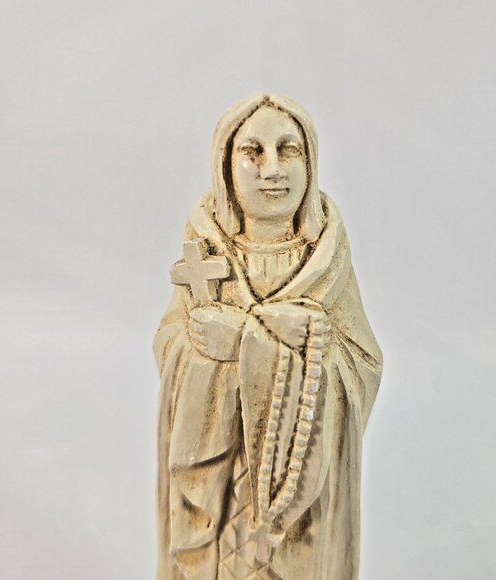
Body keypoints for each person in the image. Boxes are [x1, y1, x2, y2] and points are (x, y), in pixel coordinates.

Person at [154, 94, 383, 580]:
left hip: (299, 503)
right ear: (226, 165)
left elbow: (359, 365)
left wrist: (246, 341)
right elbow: (171, 345)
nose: (271, 169)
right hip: (222, 492)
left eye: (288, 149)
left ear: (310, 162)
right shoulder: (205, 252)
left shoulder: (327, 258)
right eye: (252, 152)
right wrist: (206, 350)